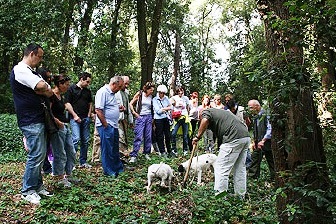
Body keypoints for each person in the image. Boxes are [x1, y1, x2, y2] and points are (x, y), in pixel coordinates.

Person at [10, 43, 54, 204]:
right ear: (32, 54)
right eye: (40, 56)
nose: (41, 60)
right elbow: (42, 86)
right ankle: (27, 190)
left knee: (41, 154)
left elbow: (47, 91)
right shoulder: (20, 70)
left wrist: (45, 88)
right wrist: (43, 88)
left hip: (37, 117)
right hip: (29, 119)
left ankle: (37, 186)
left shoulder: (31, 72)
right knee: (36, 155)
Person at [192, 108, 251, 198]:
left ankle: (220, 197)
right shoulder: (219, 113)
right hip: (245, 137)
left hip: (233, 137)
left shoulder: (206, 112)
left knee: (221, 168)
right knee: (240, 168)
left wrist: (197, 137)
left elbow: (205, 120)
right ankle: (240, 195)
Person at [49, 75, 77, 187]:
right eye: (66, 84)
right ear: (59, 84)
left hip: (65, 126)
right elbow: (47, 112)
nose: (68, 87)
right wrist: (57, 122)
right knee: (60, 153)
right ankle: (59, 177)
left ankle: (68, 175)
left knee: (71, 151)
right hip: (57, 128)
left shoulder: (61, 96)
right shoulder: (51, 95)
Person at [95, 76, 125, 176]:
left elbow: (108, 107)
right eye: (119, 86)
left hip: (114, 125)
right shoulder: (103, 92)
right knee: (107, 149)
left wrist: (118, 108)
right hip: (106, 126)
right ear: (114, 84)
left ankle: (117, 168)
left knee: (115, 148)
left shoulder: (112, 94)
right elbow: (98, 110)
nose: (120, 89)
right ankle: (108, 171)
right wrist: (105, 125)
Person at [65, 72, 93, 168]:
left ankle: (83, 161)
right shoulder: (71, 89)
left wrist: (89, 115)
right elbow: (67, 104)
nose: (88, 84)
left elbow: (90, 103)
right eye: (87, 82)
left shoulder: (87, 91)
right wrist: (75, 115)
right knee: (76, 139)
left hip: (85, 118)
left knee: (85, 140)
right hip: (74, 118)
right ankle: (71, 162)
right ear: (82, 79)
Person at [247, 100, 275, 180]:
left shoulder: (266, 114)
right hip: (258, 142)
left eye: (251, 107)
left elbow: (270, 128)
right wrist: (254, 141)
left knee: (271, 160)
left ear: (257, 106)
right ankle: (253, 178)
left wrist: (263, 140)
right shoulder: (256, 116)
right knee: (254, 159)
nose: (250, 109)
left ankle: (275, 179)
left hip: (267, 142)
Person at [129, 81, 155, 163]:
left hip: (149, 117)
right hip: (140, 117)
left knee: (148, 136)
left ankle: (146, 153)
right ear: (147, 89)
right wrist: (134, 113)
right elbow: (131, 104)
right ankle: (134, 155)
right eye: (151, 90)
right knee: (139, 136)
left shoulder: (151, 97)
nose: (152, 92)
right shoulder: (140, 94)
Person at [115, 76, 133, 157]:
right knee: (120, 138)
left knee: (125, 138)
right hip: (118, 119)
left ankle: (124, 156)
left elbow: (128, 107)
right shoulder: (115, 93)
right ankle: (120, 157)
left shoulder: (126, 93)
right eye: (125, 84)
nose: (126, 86)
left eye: (128, 84)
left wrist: (131, 120)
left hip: (125, 119)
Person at [152, 84, 173, 157]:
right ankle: (162, 151)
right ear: (158, 92)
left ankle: (169, 151)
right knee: (160, 136)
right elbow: (158, 111)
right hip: (158, 119)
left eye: (164, 93)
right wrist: (166, 108)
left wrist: (164, 109)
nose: (162, 94)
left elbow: (171, 107)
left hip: (165, 118)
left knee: (168, 135)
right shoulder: (154, 99)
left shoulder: (166, 98)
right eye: (161, 93)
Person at [170, 86, 190, 156]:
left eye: (181, 91)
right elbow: (171, 108)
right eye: (179, 91)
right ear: (177, 92)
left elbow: (188, 108)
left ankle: (185, 150)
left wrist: (188, 115)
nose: (180, 93)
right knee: (173, 134)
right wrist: (171, 118)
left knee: (185, 135)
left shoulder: (186, 98)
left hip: (184, 117)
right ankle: (174, 150)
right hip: (177, 118)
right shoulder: (174, 98)